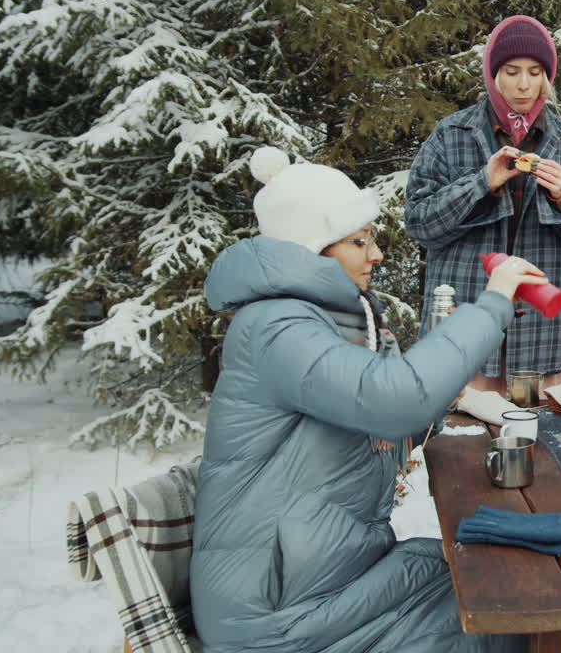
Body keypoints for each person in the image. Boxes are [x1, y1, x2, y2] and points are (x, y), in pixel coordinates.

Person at [191, 147, 536, 653]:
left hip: (324, 575)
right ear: (313, 248)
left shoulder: (317, 320)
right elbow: (394, 401)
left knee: (488, 577)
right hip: (276, 613)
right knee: (495, 616)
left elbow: (384, 420)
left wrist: (437, 397)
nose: (375, 255)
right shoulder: (273, 328)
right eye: (359, 241)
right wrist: (494, 302)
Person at [405, 15, 561, 396]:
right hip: (464, 324)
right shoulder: (452, 135)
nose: (523, 84)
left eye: (535, 72)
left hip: (541, 334)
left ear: (547, 77)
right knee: (463, 443)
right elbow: (419, 223)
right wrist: (482, 183)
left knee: (530, 441)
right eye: (511, 71)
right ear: (492, 73)